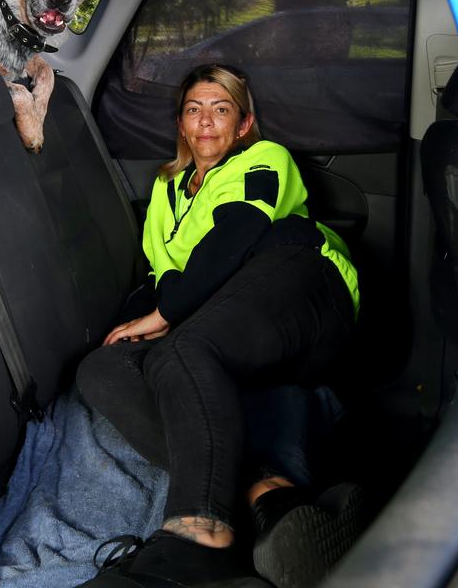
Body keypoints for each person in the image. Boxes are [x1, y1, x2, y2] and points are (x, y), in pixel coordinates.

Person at [76, 64, 362, 588]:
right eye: (194, 110)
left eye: (221, 109)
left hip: (305, 291)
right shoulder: (165, 188)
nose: (206, 121)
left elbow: (238, 232)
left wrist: (166, 317)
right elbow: (165, 272)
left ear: (244, 124)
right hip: (218, 316)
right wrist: (157, 318)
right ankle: (265, 491)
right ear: (182, 124)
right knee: (101, 369)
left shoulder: (262, 160)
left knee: (179, 352)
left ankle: (201, 529)